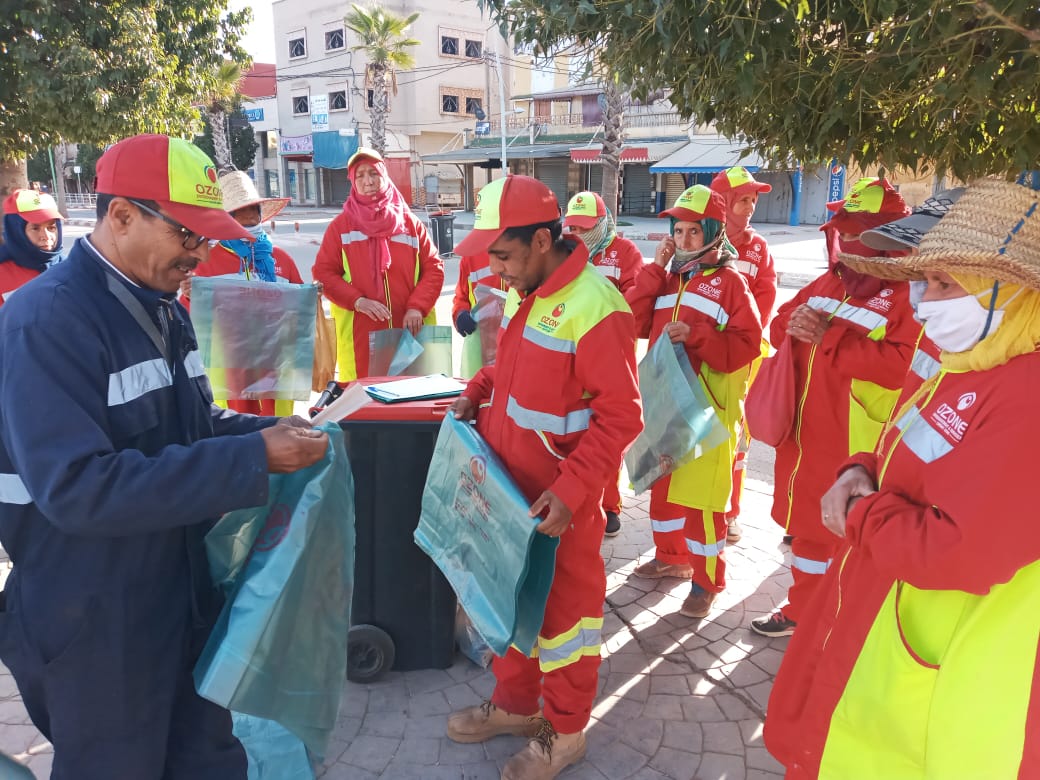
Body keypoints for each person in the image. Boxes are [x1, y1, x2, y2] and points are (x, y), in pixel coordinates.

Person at [0, 134, 329, 779]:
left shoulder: (162, 309)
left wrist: (258, 435)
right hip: (92, 617)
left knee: (206, 757)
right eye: (187, 235)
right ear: (121, 215)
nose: (201, 253)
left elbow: (192, 424)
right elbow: (78, 488)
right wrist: (253, 460)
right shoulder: (46, 322)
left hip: (171, 591)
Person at [765, 178, 1040, 779]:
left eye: (945, 283)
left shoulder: (1028, 392)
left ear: (1013, 289)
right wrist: (858, 469)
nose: (923, 300)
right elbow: (899, 436)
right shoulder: (959, 356)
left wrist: (861, 513)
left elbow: (960, 552)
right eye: (922, 279)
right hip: (877, 605)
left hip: (941, 649)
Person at [443, 175, 643, 779]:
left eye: (502, 256)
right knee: (512, 609)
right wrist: (475, 390)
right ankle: (514, 706)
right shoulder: (532, 291)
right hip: (512, 494)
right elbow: (512, 367)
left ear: (538, 241)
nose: (497, 271)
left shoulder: (596, 305)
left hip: (559, 506)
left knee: (565, 625)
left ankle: (566, 732)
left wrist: (573, 490)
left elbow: (621, 415)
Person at [750, 177, 919, 638]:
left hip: (857, 443)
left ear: (887, 238)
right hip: (806, 434)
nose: (843, 241)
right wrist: (797, 324)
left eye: (856, 233)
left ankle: (844, 621)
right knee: (807, 527)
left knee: (852, 533)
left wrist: (831, 337)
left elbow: (906, 368)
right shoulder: (833, 278)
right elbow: (782, 323)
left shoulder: (911, 294)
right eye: (841, 232)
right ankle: (804, 610)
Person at [625, 185, 762, 618]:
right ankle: (670, 557)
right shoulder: (669, 277)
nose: (683, 241)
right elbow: (631, 319)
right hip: (668, 405)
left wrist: (699, 337)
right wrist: (656, 267)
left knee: (703, 503)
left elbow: (748, 343)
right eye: (677, 231)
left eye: (692, 233)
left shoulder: (731, 283)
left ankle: (707, 582)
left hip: (707, 410)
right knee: (663, 489)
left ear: (713, 233)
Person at [312, 147, 444, 381]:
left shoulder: (410, 224)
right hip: (360, 337)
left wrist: (417, 306)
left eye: (373, 173)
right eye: (360, 175)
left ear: (384, 175)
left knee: (409, 400)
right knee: (364, 404)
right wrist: (357, 300)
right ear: (353, 181)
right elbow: (323, 274)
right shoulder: (341, 227)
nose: (368, 181)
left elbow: (433, 267)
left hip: (409, 332)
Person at [180, 170, 303, 416]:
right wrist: (192, 296)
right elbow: (187, 320)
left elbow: (301, 311)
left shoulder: (281, 259)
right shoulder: (206, 263)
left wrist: (311, 296)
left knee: (278, 428)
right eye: (239, 220)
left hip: (275, 366)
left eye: (252, 219)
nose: (248, 226)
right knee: (237, 432)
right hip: (229, 369)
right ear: (226, 222)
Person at [563, 190, 645, 538]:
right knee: (580, 426)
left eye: (585, 228)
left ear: (603, 223)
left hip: (611, 353)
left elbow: (636, 303)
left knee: (609, 425)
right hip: (572, 351)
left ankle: (609, 505)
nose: (578, 235)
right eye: (573, 229)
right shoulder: (566, 253)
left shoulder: (625, 253)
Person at [710, 167, 779, 544]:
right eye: (743, 198)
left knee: (738, 438)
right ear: (724, 202)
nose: (750, 206)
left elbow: (765, 296)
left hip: (743, 356)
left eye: (753, 199)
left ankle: (730, 511)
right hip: (704, 354)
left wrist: (743, 337)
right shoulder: (705, 240)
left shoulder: (757, 247)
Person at [0, 189, 63, 305]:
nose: (46, 236)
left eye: (51, 228)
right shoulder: (2, 274)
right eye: (35, 228)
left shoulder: (69, 267)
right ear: (15, 232)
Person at [452, 250, 507, 378]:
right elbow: (462, 296)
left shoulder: (524, 244)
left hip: (519, 343)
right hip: (483, 346)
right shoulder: (471, 255)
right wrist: (460, 314)